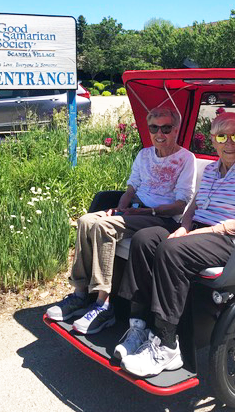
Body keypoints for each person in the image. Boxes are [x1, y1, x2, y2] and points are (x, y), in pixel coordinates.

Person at [114, 112, 235, 377]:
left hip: (233, 238)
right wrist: (185, 228)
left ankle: (167, 344)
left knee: (171, 250)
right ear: (213, 141)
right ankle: (139, 325)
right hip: (200, 231)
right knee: (144, 240)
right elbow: (193, 206)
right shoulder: (210, 170)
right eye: (221, 136)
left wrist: (201, 232)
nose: (228, 142)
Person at [46, 107, 196, 335]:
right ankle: (80, 293)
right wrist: (120, 209)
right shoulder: (144, 154)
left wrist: (146, 212)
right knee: (87, 221)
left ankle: (103, 304)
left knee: (104, 226)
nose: (160, 134)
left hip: (161, 218)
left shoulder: (186, 158)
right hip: (135, 211)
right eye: (154, 128)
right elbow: (131, 188)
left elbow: (181, 204)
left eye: (166, 128)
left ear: (176, 130)